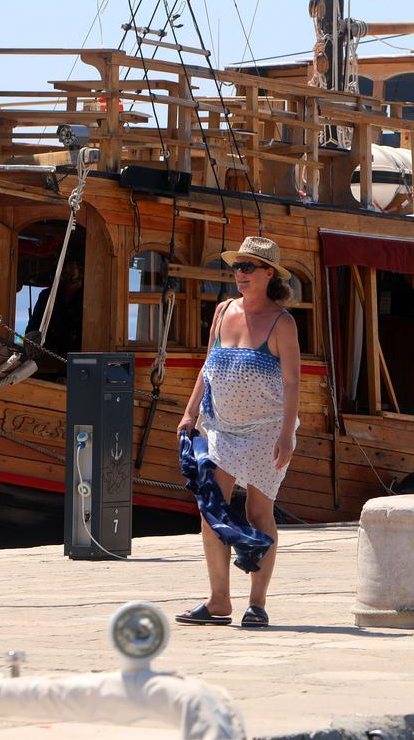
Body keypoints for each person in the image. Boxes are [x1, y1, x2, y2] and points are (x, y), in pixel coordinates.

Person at [177, 235, 301, 627]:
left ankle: (257, 604)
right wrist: (189, 413)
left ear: (269, 274)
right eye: (237, 267)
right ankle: (218, 601)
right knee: (211, 505)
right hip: (221, 426)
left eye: (249, 268)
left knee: (258, 509)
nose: (240, 274)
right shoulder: (223, 310)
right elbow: (207, 365)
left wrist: (285, 434)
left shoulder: (283, 322)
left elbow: (293, 383)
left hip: (267, 429)